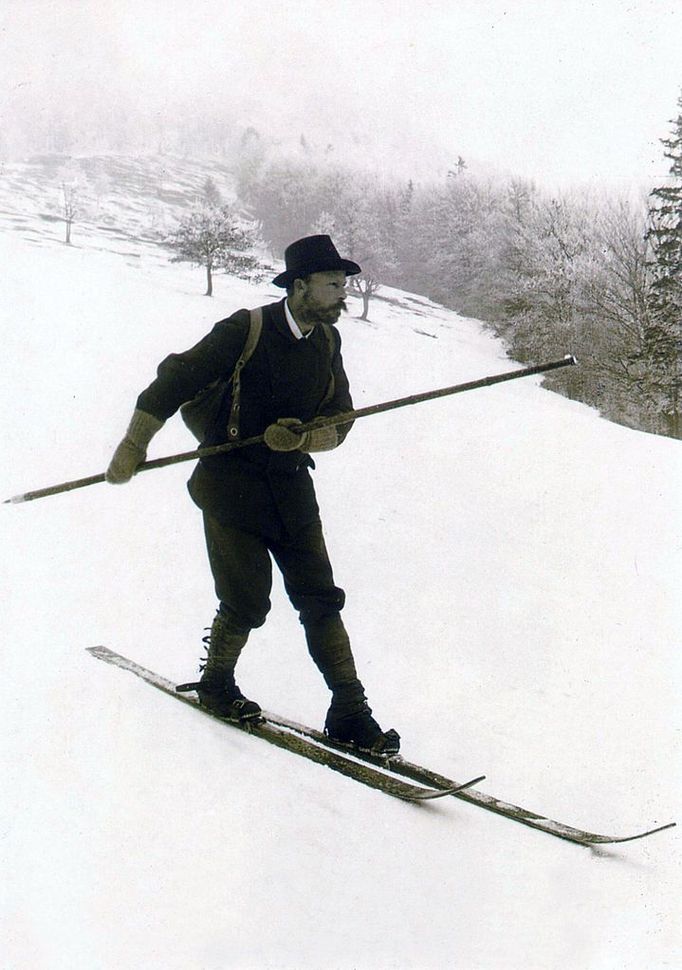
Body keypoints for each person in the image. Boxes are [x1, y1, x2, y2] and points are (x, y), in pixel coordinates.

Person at [106, 234, 400, 756]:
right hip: (229, 483)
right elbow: (172, 380)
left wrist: (305, 438)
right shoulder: (247, 329)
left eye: (344, 284)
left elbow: (342, 419)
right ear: (301, 285)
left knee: (320, 597)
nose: (342, 294)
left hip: (290, 486)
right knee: (246, 599)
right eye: (334, 284)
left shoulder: (327, 344)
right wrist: (134, 443)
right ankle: (217, 682)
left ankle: (350, 711)